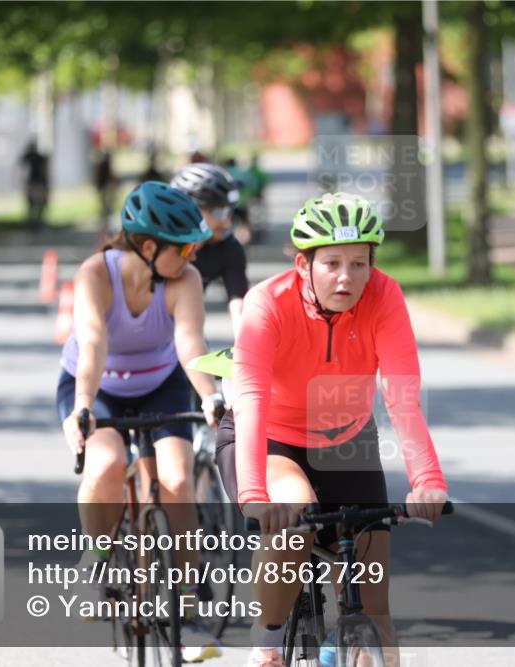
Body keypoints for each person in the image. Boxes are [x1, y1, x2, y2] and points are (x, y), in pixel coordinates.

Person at [215, 192, 449, 667]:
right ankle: (270, 642)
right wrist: (255, 494)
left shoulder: (384, 296)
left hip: (346, 439)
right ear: (304, 265)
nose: (347, 277)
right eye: (333, 263)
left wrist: (429, 481)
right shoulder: (268, 303)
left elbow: (401, 395)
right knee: (294, 514)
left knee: (374, 609)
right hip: (270, 437)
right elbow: (253, 398)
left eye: (359, 263)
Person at [57, 181, 223, 662]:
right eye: (185, 247)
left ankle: (187, 610)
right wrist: (84, 406)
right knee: (106, 464)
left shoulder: (183, 280)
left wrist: (210, 395)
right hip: (97, 385)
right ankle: (99, 559)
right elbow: (92, 344)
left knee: (177, 480)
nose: (193, 256)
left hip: (160, 383)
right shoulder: (95, 274)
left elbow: (191, 343)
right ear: (149, 247)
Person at [170, 163, 248, 338]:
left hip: (185, 332)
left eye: (229, 212)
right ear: (189, 210)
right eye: (218, 213)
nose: (227, 223)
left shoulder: (228, 248)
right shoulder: (162, 246)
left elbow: (239, 305)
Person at [19, 139, 49, 231]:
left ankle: (36, 222)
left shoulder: (36, 157)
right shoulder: (34, 157)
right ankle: (34, 222)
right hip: (35, 183)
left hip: (36, 183)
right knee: (35, 204)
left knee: (36, 204)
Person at [93, 150, 116, 230]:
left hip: (103, 187)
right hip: (104, 187)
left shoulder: (102, 166)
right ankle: (105, 220)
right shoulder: (105, 166)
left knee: (106, 205)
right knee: (106, 205)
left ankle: (105, 220)